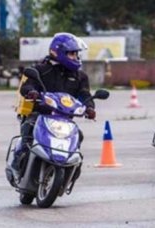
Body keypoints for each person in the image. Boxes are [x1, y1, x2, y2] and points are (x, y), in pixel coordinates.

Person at [11, 32, 96, 172]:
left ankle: (73, 168)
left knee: (78, 136)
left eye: (76, 54)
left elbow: (85, 95)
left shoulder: (80, 77)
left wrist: (90, 108)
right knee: (28, 129)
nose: (75, 57)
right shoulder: (40, 70)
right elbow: (27, 86)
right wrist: (31, 92)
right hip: (39, 114)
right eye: (72, 54)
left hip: (65, 119)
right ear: (58, 52)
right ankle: (18, 164)